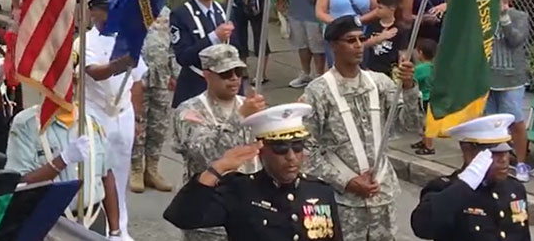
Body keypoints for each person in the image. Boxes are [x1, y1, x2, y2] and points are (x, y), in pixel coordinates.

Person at [301, 15, 423, 241]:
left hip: (382, 196)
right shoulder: (318, 92)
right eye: (350, 40)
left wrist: (408, 88)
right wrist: (346, 181)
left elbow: (411, 125)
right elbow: (305, 151)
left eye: (361, 39)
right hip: (343, 201)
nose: (358, 46)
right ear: (334, 45)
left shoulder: (380, 83)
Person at [164, 103, 342, 241]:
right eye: (280, 148)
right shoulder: (240, 191)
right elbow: (182, 217)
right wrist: (216, 169)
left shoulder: (319, 191)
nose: (291, 157)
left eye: (297, 147)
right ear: (261, 151)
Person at [170, 43, 265, 241]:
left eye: (238, 72)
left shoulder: (249, 105)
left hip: (250, 209)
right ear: (207, 75)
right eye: (225, 73)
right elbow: (204, 153)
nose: (234, 78)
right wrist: (239, 118)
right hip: (209, 214)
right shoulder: (189, 111)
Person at [76, 0, 147, 241]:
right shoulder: (85, 41)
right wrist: (123, 62)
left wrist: (138, 117)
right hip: (96, 115)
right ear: (92, 11)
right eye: (105, 10)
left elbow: (137, 82)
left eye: (115, 9)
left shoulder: (128, 37)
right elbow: (94, 72)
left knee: (120, 173)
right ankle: (97, 226)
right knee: (97, 174)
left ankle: (120, 229)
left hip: (123, 114)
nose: (110, 15)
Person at [6, 96, 121, 236]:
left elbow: (107, 175)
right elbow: (22, 183)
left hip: (93, 221)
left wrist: (115, 231)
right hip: (51, 225)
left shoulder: (90, 121)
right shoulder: (27, 124)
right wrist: (63, 160)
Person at [410, 113, 530, 241]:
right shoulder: (444, 189)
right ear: (468, 151)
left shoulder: (514, 189)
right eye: (494, 153)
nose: (504, 159)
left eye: (506, 151)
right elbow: (422, 227)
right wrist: (466, 183)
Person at [481, 0, 531, 180]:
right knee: (490, 123)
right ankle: (492, 162)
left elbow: (516, 40)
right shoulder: (484, 17)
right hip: (487, 77)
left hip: (511, 77)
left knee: (515, 121)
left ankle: (521, 163)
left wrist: (503, 17)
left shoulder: (520, 16)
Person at [171, 0, 236, 107]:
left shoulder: (224, 11)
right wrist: (214, 37)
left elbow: (236, 49)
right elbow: (184, 57)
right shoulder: (181, 14)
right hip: (196, 85)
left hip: (224, 84)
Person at [130, 6, 178, 195]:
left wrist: (174, 72)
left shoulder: (166, 12)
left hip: (162, 76)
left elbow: (172, 44)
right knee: (138, 121)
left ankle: (152, 169)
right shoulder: (132, 10)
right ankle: (135, 169)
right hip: (138, 76)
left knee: (159, 124)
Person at [362, 0, 406, 77]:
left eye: (380, 8)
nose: (377, 11)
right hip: (372, 69)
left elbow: (402, 52)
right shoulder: (372, 25)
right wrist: (380, 38)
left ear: (392, 9)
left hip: (390, 71)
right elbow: (364, 44)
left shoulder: (399, 29)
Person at [411, 38, 436, 155]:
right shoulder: (435, 67)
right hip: (432, 96)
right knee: (424, 122)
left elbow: (412, 80)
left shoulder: (420, 69)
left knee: (426, 123)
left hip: (424, 98)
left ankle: (429, 146)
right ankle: (424, 141)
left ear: (420, 52)